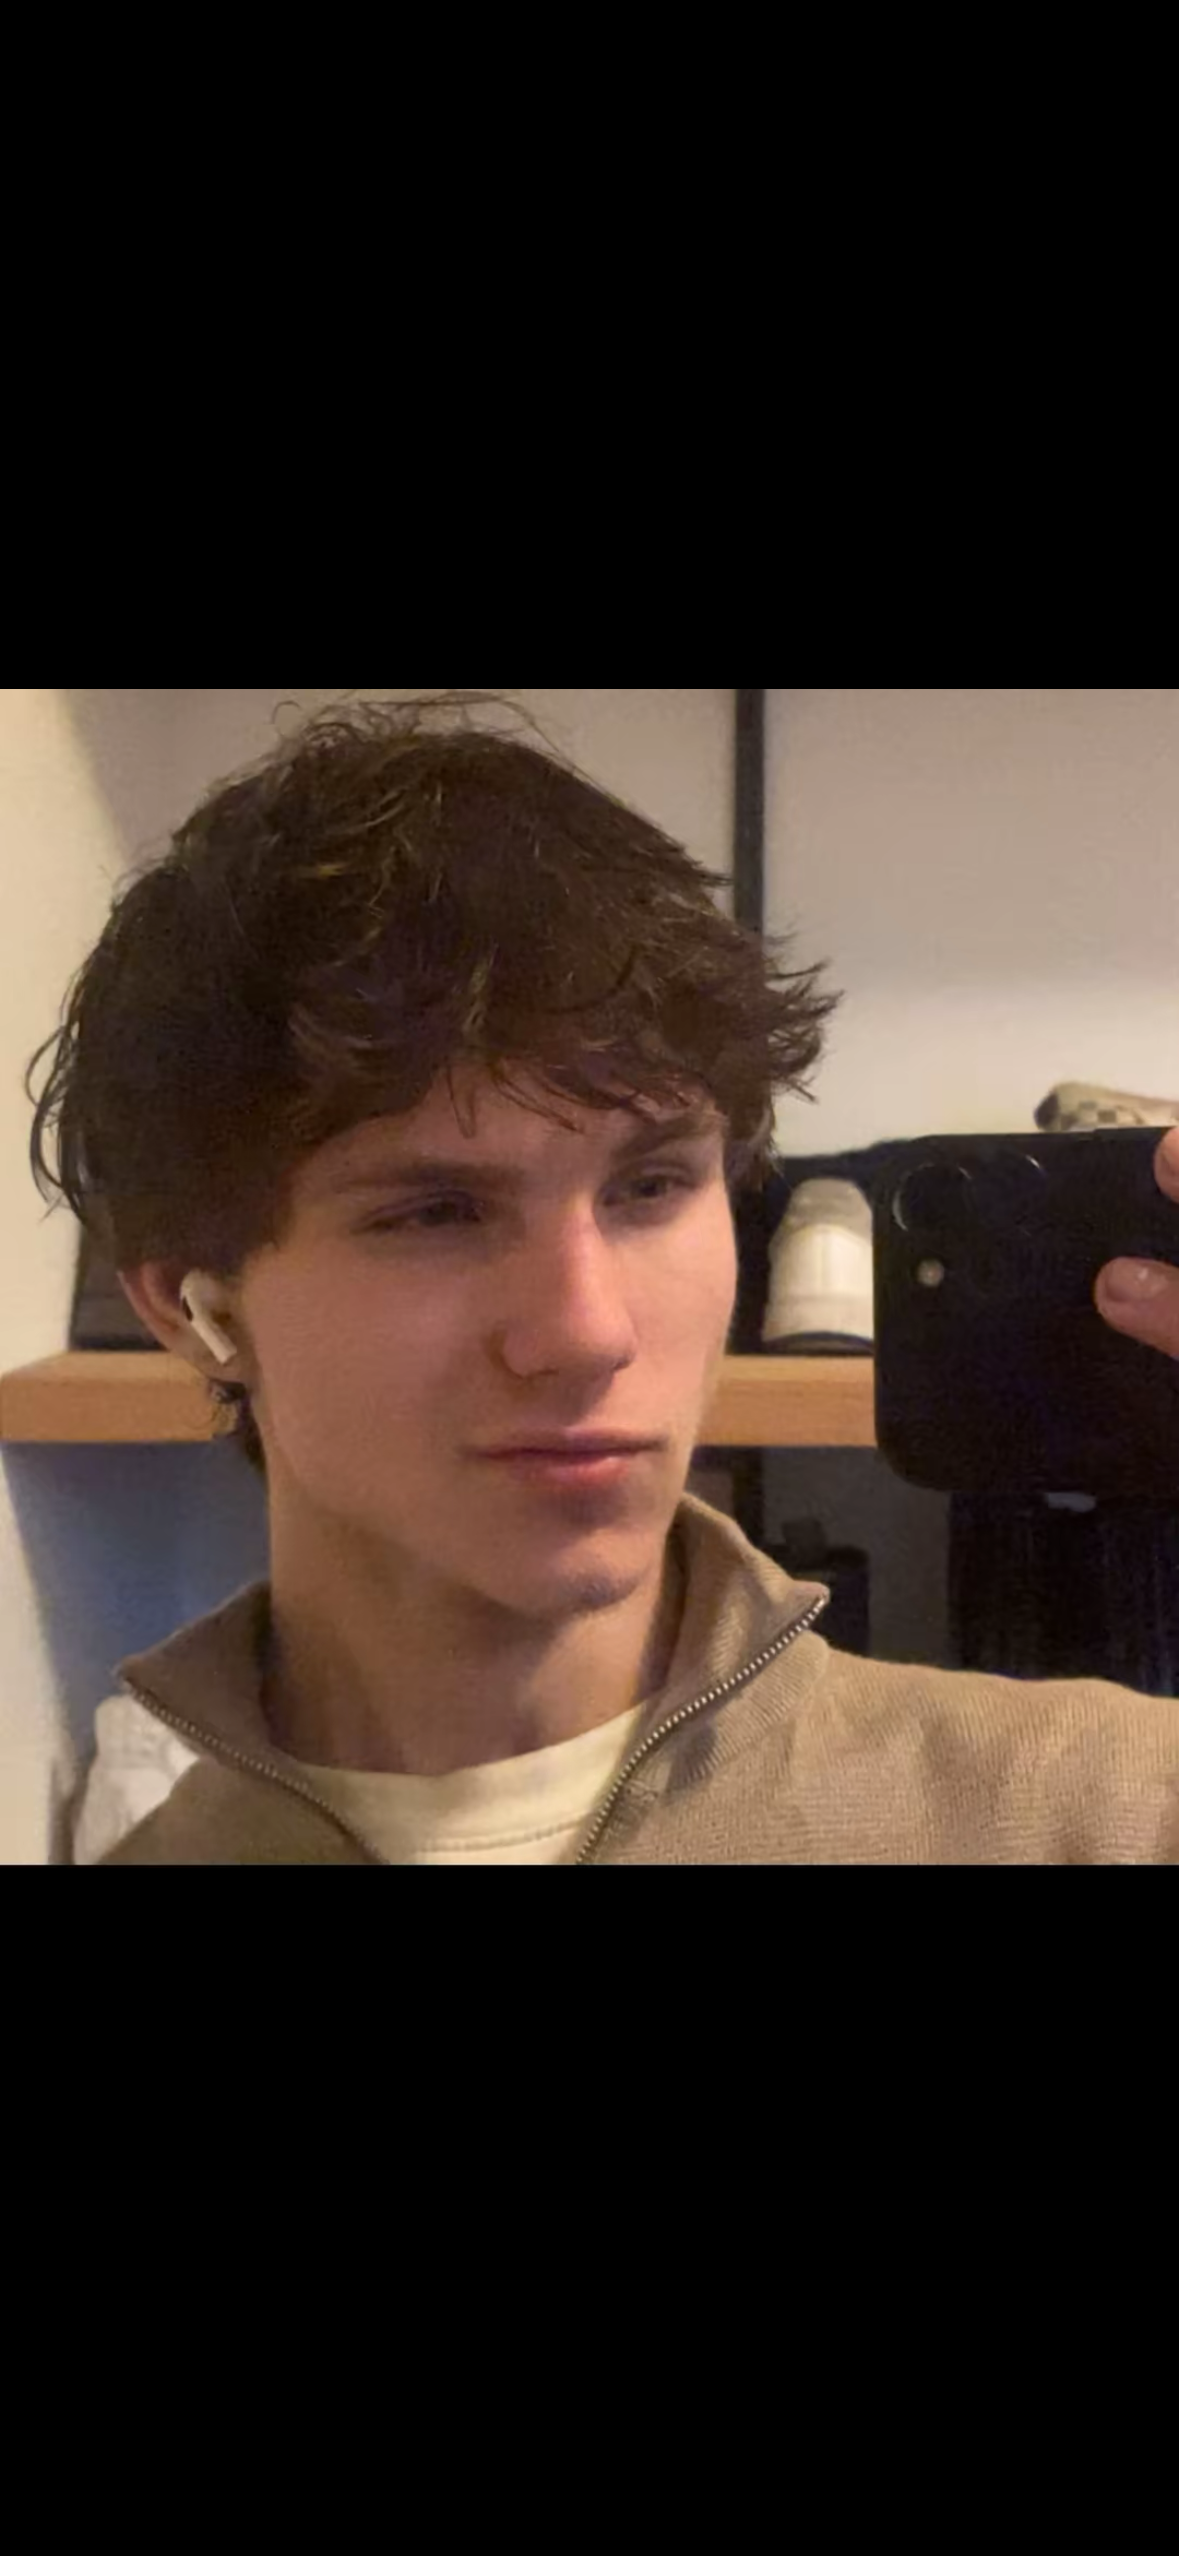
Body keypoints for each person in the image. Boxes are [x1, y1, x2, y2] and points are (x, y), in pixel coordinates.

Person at [27, 695, 1179, 1864]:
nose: (587, 1330)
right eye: (435, 1212)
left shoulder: (1103, 1812)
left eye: (650, 1187)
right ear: (190, 1306)